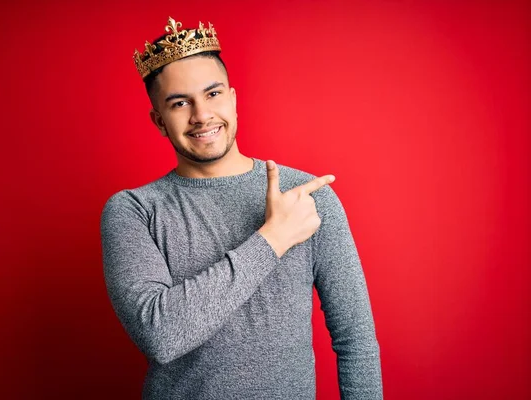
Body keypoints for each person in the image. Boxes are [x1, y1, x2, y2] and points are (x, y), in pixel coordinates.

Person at [100, 17, 383, 399]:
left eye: (213, 94)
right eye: (180, 103)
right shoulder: (132, 211)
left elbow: (356, 340)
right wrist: (272, 239)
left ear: (233, 99)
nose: (201, 115)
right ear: (159, 122)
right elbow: (161, 334)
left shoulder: (305, 196)